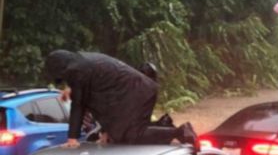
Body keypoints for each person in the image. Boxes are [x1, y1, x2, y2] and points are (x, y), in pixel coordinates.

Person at [45, 50, 198, 148]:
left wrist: (72, 139)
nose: (64, 79)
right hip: (133, 91)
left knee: (132, 135)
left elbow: (79, 104)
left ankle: (179, 132)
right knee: (121, 135)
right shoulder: (81, 63)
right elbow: (99, 100)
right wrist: (106, 131)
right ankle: (170, 129)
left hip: (135, 92)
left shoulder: (77, 70)